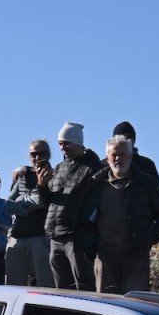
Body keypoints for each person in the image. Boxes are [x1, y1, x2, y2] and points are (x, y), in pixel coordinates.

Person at [89, 136, 159, 294]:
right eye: (114, 155)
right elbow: (85, 216)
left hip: (136, 255)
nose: (117, 158)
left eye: (122, 154)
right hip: (105, 257)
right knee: (105, 304)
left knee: (135, 303)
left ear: (130, 155)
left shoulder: (146, 182)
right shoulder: (96, 184)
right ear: (107, 158)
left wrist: (150, 238)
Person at [39, 122, 102, 290]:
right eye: (60, 144)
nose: (62, 148)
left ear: (78, 143)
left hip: (76, 237)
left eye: (66, 143)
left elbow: (95, 204)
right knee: (61, 288)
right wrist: (42, 186)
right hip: (55, 236)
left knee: (84, 286)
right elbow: (49, 201)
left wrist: (83, 228)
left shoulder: (92, 168)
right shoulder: (59, 168)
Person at [4, 140, 55, 287]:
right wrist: (27, 207)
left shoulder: (54, 175)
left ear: (48, 155)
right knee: (13, 287)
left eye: (41, 153)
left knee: (46, 287)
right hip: (17, 237)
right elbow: (7, 205)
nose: (37, 158)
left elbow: (42, 200)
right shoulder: (23, 176)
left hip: (40, 238)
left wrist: (20, 202)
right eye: (33, 154)